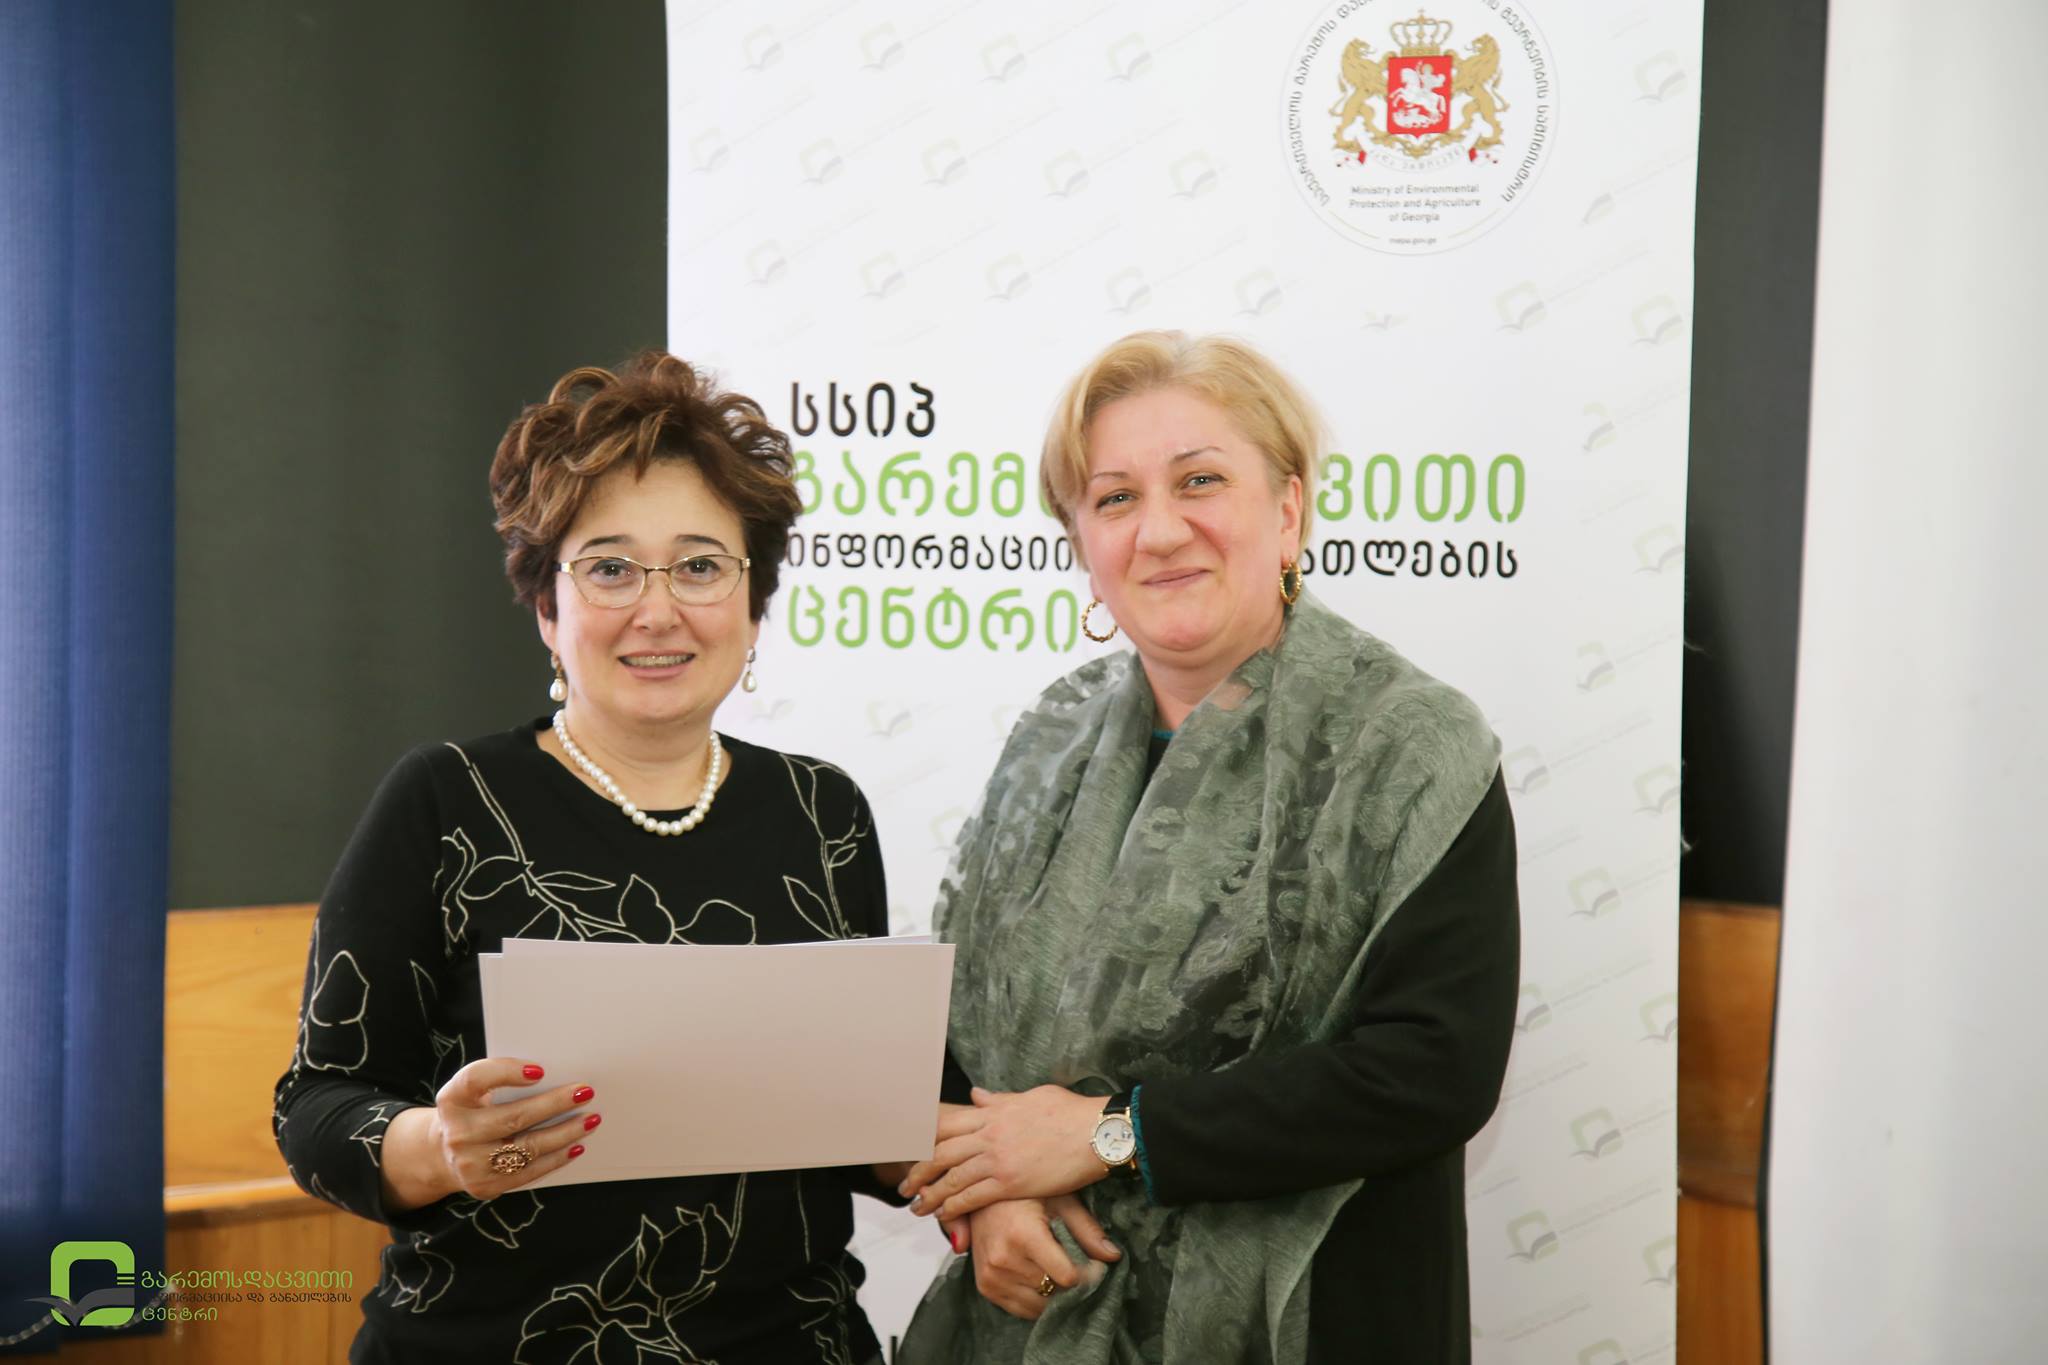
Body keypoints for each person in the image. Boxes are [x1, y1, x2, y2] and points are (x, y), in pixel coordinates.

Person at [896, 331, 1521, 1363]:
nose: (1159, 530)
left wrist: (1110, 1135)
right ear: (1082, 547)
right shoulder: (1048, 741)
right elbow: (961, 1031)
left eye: (1199, 481)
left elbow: (1430, 1070)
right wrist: (994, 1196)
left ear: (1287, 511)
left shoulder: (1412, 746)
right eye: (1114, 498)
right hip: (1030, 1320)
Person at [273, 353, 898, 1365]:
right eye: (609, 568)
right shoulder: (445, 800)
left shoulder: (822, 813)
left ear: (754, 602)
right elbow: (315, 1107)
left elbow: (880, 1110)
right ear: (545, 606)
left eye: (700, 566)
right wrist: (439, 1147)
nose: (657, 610)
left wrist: (1027, 1161)